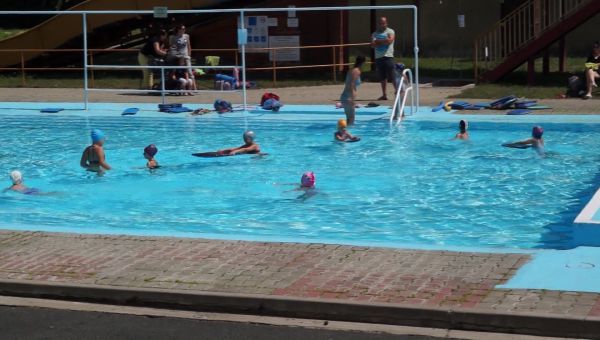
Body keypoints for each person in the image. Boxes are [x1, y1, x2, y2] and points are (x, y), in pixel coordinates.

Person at [371, 17, 397, 101]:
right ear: (379, 24)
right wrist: (384, 40)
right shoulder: (374, 33)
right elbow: (373, 45)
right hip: (379, 57)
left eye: (384, 23)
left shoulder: (390, 31)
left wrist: (378, 41)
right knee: (382, 77)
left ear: (386, 23)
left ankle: (398, 91)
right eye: (381, 23)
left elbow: (390, 41)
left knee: (392, 75)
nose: (382, 25)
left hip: (388, 56)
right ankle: (384, 94)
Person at [168, 24, 197, 92]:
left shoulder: (186, 36)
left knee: (190, 72)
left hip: (186, 56)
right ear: (178, 29)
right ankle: (178, 87)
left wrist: (189, 55)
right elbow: (172, 47)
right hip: (178, 56)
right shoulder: (173, 37)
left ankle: (194, 88)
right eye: (182, 29)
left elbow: (189, 46)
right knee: (176, 71)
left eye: (184, 29)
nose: (183, 30)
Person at [340, 56, 366, 125]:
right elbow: (352, 85)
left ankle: (344, 133)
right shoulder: (357, 71)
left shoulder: (351, 70)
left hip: (344, 97)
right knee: (351, 120)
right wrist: (352, 99)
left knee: (348, 119)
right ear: (363, 63)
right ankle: (348, 134)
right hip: (348, 97)